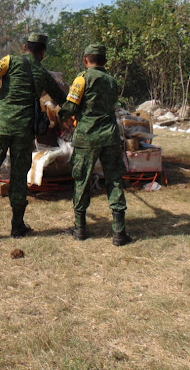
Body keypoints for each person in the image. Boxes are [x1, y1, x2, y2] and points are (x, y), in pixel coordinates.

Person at [0, 33, 67, 238]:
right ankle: (17, 225)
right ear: (43, 52)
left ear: (25, 46)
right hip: (24, 131)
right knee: (19, 177)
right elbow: (61, 98)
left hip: (0, 127)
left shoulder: (9, 60)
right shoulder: (44, 73)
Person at [59, 43, 132, 246]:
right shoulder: (112, 81)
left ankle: (80, 229)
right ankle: (119, 232)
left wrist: (61, 115)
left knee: (82, 179)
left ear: (86, 59)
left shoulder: (82, 79)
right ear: (104, 61)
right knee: (115, 180)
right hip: (109, 136)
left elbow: (71, 106)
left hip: (87, 137)